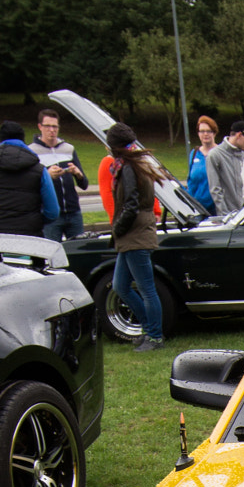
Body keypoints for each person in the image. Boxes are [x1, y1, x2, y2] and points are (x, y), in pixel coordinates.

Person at [105, 124, 165, 350]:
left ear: (114, 147)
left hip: (135, 233)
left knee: (146, 288)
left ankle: (155, 336)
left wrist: (117, 229)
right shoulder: (133, 163)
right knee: (121, 286)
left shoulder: (128, 167)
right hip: (134, 233)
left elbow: (130, 205)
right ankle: (149, 328)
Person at [0, 120, 59, 237]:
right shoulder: (39, 169)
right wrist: (35, 220)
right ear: (23, 139)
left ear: (0, 140)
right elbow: (52, 212)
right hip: (30, 236)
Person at [31, 109, 88, 241]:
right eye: (48, 126)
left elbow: (84, 184)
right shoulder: (32, 151)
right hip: (50, 214)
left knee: (78, 251)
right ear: (40, 127)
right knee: (53, 255)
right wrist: (46, 176)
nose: (52, 130)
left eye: (55, 126)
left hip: (73, 212)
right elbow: (29, 184)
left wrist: (77, 174)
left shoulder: (68, 148)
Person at [205, 121, 244, 216]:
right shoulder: (215, 155)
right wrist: (225, 215)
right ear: (239, 135)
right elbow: (215, 189)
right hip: (227, 216)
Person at [186, 115, 219, 214]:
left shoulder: (220, 153)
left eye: (208, 131)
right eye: (202, 131)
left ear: (214, 133)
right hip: (196, 210)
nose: (205, 134)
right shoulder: (194, 153)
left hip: (215, 211)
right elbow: (190, 180)